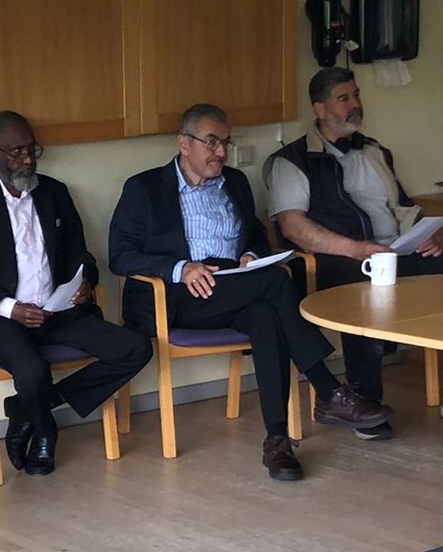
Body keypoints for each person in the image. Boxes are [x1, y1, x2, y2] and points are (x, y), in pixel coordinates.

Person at [108, 103, 391, 482]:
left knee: (266, 316)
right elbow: (120, 256)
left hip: (233, 286)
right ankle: (327, 389)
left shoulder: (236, 182)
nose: (221, 152)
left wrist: (251, 256)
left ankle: (277, 442)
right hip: (175, 294)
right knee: (276, 282)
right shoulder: (144, 188)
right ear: (184, 144)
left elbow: (256, 237)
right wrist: (181, 268)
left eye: (225, 142)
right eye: (211, 142)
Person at [265, 67, 443, 434]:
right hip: (337, 261)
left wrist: (422, 235)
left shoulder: (374, 151)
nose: (355, 105)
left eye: (356, 95)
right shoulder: (293, 161)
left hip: (395, 254)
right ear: (320, 109)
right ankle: (364, 400)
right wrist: (357, 249)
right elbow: (293, 227)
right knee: (364, 292)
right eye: (344, 98)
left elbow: (401, 208)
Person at [0, 112, 150, 475]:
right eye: (17, 151)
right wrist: (10, 308)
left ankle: (28, 408)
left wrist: (85, 281)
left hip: (57, 311)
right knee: (33, 369)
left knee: (135, 347)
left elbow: (80, 252)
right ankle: (46, 430)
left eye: (32, 149)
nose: (28, 159)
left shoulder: (54, 192)